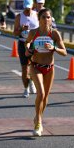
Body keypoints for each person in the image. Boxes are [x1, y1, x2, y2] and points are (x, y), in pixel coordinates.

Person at [25, 8, 67, 136]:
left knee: (46, 97)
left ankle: (38, 118)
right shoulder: (33, 32)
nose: (46, 19)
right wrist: (30, 49)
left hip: (49, 68)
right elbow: (27, 45)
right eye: (43, 17)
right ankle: (38, 123)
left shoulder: (54, 34)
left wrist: (54, 48)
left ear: (51, 19)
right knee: (41, 94)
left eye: (48, 17)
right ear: (39, 19)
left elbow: (64, 52)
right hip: (36, 66)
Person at [14, 0, 39, 98]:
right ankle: (26, 88)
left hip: (34, 44)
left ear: (32, 6)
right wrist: (21, 29)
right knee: (25, 69)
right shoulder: (19, 17)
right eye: (26, 8)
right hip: (23, 43)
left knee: (34, 67)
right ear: (24, 6)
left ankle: (32, 82)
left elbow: (41, 29)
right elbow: (15, 33)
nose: (28, 10)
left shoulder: (37, 15)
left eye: (29, 8)